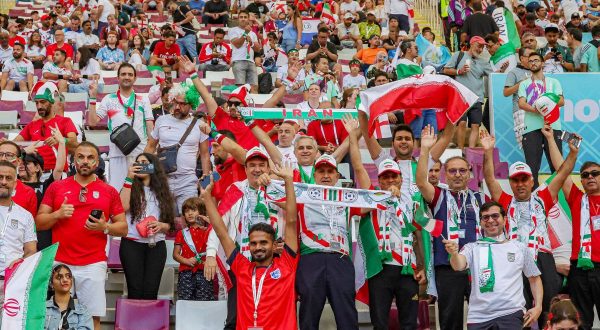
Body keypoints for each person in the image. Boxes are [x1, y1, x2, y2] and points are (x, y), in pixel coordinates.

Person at [482, 128, 576, 327]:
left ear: (532, 180)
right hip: (514, 257)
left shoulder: (543, 197)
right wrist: (488, 151)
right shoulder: (505, 201)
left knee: (548, 307)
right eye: (515, 180)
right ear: (510, 183)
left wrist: (573, 153)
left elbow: (563, 173)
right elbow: (489, 179)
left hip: (543, 257)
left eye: (524, 179)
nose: (520, 184)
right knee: (518, 309)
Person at [36, 142, 128, 330]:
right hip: (60, 262)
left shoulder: (109, 191)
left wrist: (105, 226)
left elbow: (123, 228)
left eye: (90, 157)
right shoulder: (56, 187)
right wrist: (57, 215)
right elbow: (39, 222)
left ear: (97, 162)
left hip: (93, 263)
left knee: (92, 317)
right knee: (53, 315)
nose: (85, 161)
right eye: (81, 157)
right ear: (74, 160)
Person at [344, 117, 425, 329]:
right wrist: (353, 135)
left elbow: (418, 235)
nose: (390, 181)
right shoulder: (371, 197)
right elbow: (358, 166)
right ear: (379, 180)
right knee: (379, 323)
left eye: (393, 176)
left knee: (410, 323)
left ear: (400, 178)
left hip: (408, 268)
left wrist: (423, 266)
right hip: (380, 269)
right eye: (385, 177)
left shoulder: (412, 200)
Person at [202, 161, 298, 329]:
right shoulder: (242, 268)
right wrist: (207, 197)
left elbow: (291, 220)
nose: (258, 247)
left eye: (263, 243)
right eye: (253, 243)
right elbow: (221, 231)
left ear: (274, 244)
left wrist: (288, 181)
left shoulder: (286, 265)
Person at [416, 126, 483, 330]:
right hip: (446, 267)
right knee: (449, 320)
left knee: (481, 318)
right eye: (452, 171)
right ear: (445, 175)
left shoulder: (479, 198)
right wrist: (425, 150)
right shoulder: (438, 196)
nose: (457, 175)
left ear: (470, 174)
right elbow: (420, 182)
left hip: (476, 267)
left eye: (462, 170)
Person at [444, 202, 543, 328]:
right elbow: (458, 265)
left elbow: (534, 278)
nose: (490, 220)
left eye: (495, 216)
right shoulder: (472, 247)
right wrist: (453, 254)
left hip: (511, 314)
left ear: (504, 219)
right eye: (485, 217)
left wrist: (538, 307)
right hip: (478, 318)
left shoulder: (519, 247)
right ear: (480, 222)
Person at [543, 127, 599, 330]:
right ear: (581, 180)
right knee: (581, 322)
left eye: (595, 173)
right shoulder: (577, 198)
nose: (590, 177)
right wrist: (550, 139)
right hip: (579, 270)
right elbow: (562, 169)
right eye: (585, 175)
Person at [145, 81, 211, 212]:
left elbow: (204, 154)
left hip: (188, 181)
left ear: (191, 105)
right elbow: (150, 148)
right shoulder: (161, 120)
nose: (177, 106)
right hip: (163, 178)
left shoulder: (199, 124)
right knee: (161, 217)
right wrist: (145, 171)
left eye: (182, 104)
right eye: (175, 102)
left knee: (189, 219)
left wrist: (205, 179)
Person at [88, 63, 154, 191]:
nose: (127, 77)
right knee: (117, 192)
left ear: (135, 78)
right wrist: (92, 97)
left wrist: (149, 154)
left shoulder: (143, 99)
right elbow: (92, 123)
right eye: (123, 74)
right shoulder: (109, 99)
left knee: (144, 193)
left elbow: (150, 128)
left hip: (140, 155)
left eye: (130, 74)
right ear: (117, 78)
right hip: (117, 154)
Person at [119, 153, 175, 300]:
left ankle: (149, 323)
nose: (140, 165)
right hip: (131, 243)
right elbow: (122, 207)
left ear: (153, 166)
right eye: (137, 162)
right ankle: (133, 323)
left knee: (151, 291)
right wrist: (129, 178)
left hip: (156, 245)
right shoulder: (129, 186)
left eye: (145, 162)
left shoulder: (163, 192)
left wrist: (161, 225)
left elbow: (170, 224)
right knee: (134, 291)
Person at [517, 52, 564, 188]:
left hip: (552, 126)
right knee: (532, 169)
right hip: (531, 128)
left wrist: (548, 103)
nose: (533, 63)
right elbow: (521, 103)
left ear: (543, 63)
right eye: (530, 61)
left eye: (536, 60)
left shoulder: (554, 82)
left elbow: (561, 101)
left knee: (558, 167)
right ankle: (534, 201)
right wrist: (536, 110)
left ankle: (559, 200)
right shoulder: (524, 84)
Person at [15, 82, 78, 171]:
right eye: (36, 103)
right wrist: (7, 143)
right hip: (35, 173)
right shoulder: (32, 125)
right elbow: (15, 144)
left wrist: (61, 140)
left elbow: (74, 142)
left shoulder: (65, 121)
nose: (39, 106)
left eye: (43, 102)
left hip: (57, 173)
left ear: (51, 102)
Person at [443, 36, 491, 149]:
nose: (480, 49)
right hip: (461, 97)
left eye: (482, 47)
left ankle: (471, 150)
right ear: (472, 44)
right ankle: (460, 150)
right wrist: (459, 71)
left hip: (476, 98)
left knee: (475, 126)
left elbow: (493, 75)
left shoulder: (483, 62)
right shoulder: (459, 55)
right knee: (462, 123)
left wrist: (502, 70)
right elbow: (446, 69)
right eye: (479, 46)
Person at [0, 160, 37, 307]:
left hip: (13, 283)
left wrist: (21, 263)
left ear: (15, 184)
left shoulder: (25, 216)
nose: (3, 182)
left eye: (8, 178)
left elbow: (30, 251)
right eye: (0, 177)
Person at [173, 197, 215, 301]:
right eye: (187, 211)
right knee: (185, 301)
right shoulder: (181, 233)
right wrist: (186, 261)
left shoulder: (209, 231)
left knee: (204, 302)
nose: (190, 213)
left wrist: (209, 222)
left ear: (201, 212)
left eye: (193, 210)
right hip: (186, 273)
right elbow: (175, 254)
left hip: (205, 271)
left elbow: (219, 234)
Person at [45, 264, 94, 330]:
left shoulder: (83, 312)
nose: (65, 279)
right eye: (59, 277)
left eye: (68, 276)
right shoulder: (42, 309)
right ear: (51, 284)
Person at [503, 47, 534, 149]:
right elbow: (506, 92)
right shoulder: (514, 72)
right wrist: (521, 84)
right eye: (529, 56)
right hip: (521, 111)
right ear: (522, 58)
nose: (532, 58)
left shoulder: (537, 71)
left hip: (536, 111)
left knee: (538, 144)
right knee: (527, 144)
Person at [0, 141, 39, 217]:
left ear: (19, 161)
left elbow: (29, 225)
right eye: (0, 154)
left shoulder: (28, 193)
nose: (3, 158)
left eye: (9, 155)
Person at [228, 10, 261, 93]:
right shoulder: (233, 30)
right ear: (238, 19)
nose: (243, 19)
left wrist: (251, 43)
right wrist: (245, 33)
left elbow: (258, 49)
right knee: (241, 88)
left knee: (254, 87)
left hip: (251, 62)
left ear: (248, 19)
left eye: (245, 17)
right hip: (238, 61)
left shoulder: (253, 33)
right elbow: (237, 44)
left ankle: (253, 105)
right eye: (241, 17)